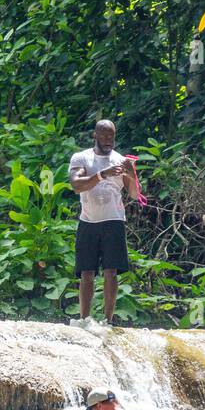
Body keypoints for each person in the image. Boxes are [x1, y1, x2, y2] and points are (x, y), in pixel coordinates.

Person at [67, 119, 138, 325]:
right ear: (95, 136)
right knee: (86, 272)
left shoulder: (120, 160)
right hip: (88, 220)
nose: (109, 140)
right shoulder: (82, 157)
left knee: (111, 271)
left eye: (112, 136)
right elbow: (76, 186)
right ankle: (84, 319)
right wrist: (102, 175)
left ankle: (108, 320)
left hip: (113, 220)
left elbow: (133, 194)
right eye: (104, 136)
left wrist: (131, 172)